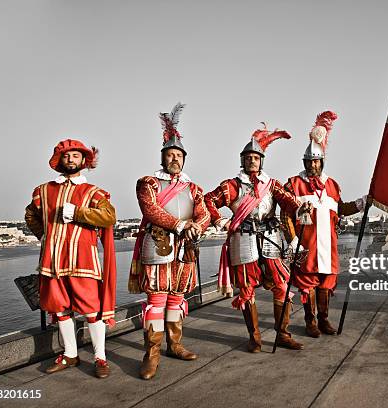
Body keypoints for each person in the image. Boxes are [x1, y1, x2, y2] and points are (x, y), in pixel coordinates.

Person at [204, 124, 312, 352]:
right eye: (248, 157)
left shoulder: (271, 184)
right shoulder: (231, 185)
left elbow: (290, 201)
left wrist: (301, 208)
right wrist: (219, 221)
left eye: (256, 157)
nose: (252, 161)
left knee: (282, 286)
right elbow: (208, 201)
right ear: (242, 160)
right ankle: (254, 338)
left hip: (271, 238)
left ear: (261, 161)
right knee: (246, 291)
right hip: (243, 240)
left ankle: (282, 334)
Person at [129, 102, 210, 380]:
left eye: (179, 155)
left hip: (185, 248)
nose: (174, 159)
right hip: (159, 244)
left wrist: (197, 227)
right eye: (170, 154)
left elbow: (204, 214)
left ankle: (175, 345)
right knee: (156, 300)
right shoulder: (148, 182)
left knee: (176, 299)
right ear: (163, 157)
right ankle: (151, 354)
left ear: (184, 159)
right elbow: (150, 209)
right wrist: (180, 224)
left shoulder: (194, 188)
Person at [25, 139, 117, 378]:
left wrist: (78, 213)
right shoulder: (43, 191)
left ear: (83, 160)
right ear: (59, 160)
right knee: (61, 309)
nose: (70, 160)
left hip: (83, 261)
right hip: (52, 261)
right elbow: (30, 214)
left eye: (75, 155)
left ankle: (100, 357)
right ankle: (70, 354)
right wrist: (44, 235)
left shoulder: (93, 192)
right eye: (66, 156)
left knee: (91, 310)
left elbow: (109, 217)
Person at [281, 111, 368, 337]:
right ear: (305, 162)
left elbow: (340, 209)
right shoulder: (293, 185)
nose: (313, 165)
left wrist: (363, 203)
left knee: (326, 283)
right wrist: (293, 243)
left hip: (328, 246)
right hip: (306, 245)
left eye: (316, 161)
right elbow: (285, 217)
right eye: (309, 161)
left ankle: (324, 320)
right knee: (307, 284)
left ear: (322, 161)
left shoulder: (332, 185)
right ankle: (310, 322)